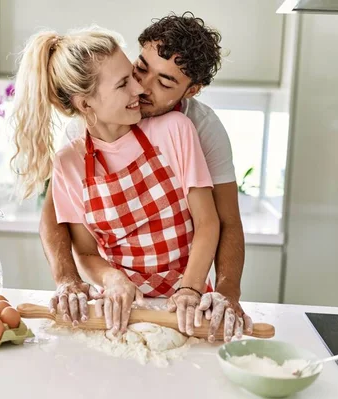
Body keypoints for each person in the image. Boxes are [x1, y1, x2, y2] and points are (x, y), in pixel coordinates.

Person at [39, 13, 253, 342]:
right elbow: (57, 220)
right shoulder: (79, 138)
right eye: (139, 70)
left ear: (191, 90)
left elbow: (222, 221)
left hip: (183, 302)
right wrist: (71, 279)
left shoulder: (195, 128)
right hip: (123, 306)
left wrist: (222, 293)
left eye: (165, 83)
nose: (141, 87)